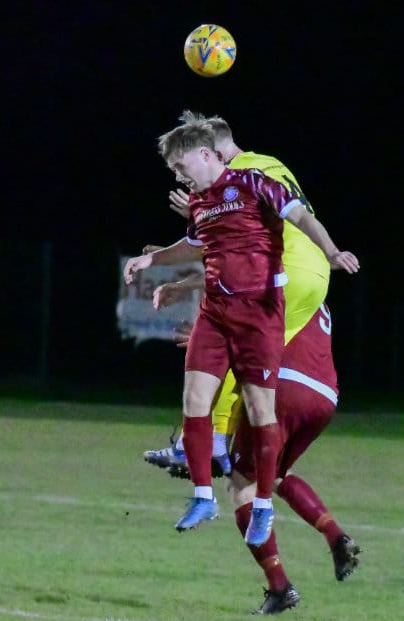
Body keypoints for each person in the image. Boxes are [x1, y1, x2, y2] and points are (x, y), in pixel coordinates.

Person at [123, 120, 359, 546]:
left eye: (180, 165)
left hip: (260, 313)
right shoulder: (201, 201)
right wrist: (152, 261)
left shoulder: (253, 181)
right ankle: (203, 496)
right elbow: (197, 246)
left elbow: (299, 215)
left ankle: (262, 503)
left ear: (208, 154)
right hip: (216, 311)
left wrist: (331, 250)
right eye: (172, 169)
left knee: (259, 408)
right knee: (194, 399)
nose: (178, 175)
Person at [142, 111, 335, 481]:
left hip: (284, 270)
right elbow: (234, 252)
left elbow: (233, 244)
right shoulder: (269, 164)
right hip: (313, 275)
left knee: (235, 348)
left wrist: (201, 214)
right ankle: (215, 441)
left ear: (212, 154)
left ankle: (207, 442)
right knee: (245, 353)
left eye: (185, 165)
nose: (186, 177)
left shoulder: (239, 177)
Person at [174, 304, 361, 614]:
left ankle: (280, 586)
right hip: (324, 396)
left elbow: (245, 327)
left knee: (240, 484)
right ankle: (335, 536)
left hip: (282, 385)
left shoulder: (272, 283)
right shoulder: (316, 290)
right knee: (272, 473)